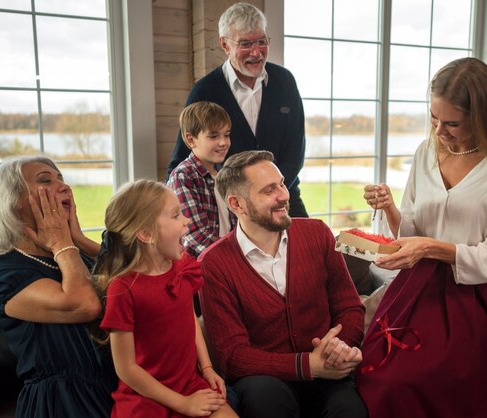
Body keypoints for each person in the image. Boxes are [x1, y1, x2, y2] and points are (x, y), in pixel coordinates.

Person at [356, 57, 487, 418]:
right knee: (379, 379)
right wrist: (390, 206)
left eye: (452, 123)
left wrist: (429, 247)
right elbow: (410, 230)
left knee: (440, 391)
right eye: (434, 118)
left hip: (473, 299)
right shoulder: (426, 153)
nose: (439, 131)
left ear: (482, 116)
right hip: (415, 290)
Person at [199, 150, 368, 418]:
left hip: (328, 373)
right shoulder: (214, 263)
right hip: (265, 380)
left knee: (350, 410)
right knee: (267, 401)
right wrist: (307, 366)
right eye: (269, 190)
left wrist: (339, 350)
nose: (284, 195)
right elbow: (233, 356)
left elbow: (350, 307)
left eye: (281, 184)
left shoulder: (318, 234)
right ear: (237, 204)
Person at [0, 156, 117, 418]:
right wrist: (62, 243)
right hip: (64, 401)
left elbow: (140, 283)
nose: (64, 187)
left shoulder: (76, 255)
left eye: (62, 179)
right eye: (46, 180)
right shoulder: (1, 270)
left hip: (119, 387)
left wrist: (80, 240)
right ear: (15, 201)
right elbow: (85, 304)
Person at [94, 179, 238, 418]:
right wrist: (182, 404)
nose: (186, 220)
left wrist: (208, 368)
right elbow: (126, 369)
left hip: (190, 383)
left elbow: (188, 319)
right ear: (146, 233)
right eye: (175, 216)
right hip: (146, 397)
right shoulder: (123, 289)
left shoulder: (181, 267)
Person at [167, 2, 308, 218]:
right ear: (225, 45)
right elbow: (183, 157)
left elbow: (295, 149)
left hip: (284, 194)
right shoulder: (205, 90)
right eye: (245, 44)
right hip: (231, 205)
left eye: (261, 41)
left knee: (308, 248)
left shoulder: (285, 81)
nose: (256, 52)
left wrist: (272, 193)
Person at [166, 101, 237, 258]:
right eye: (213, 136)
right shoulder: (183, 176)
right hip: (199, 265)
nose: (223, 142)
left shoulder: (226, 175)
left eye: (226, 135)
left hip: (228, 257)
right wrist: (233, 257)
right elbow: (195, 235)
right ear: (191, 140)